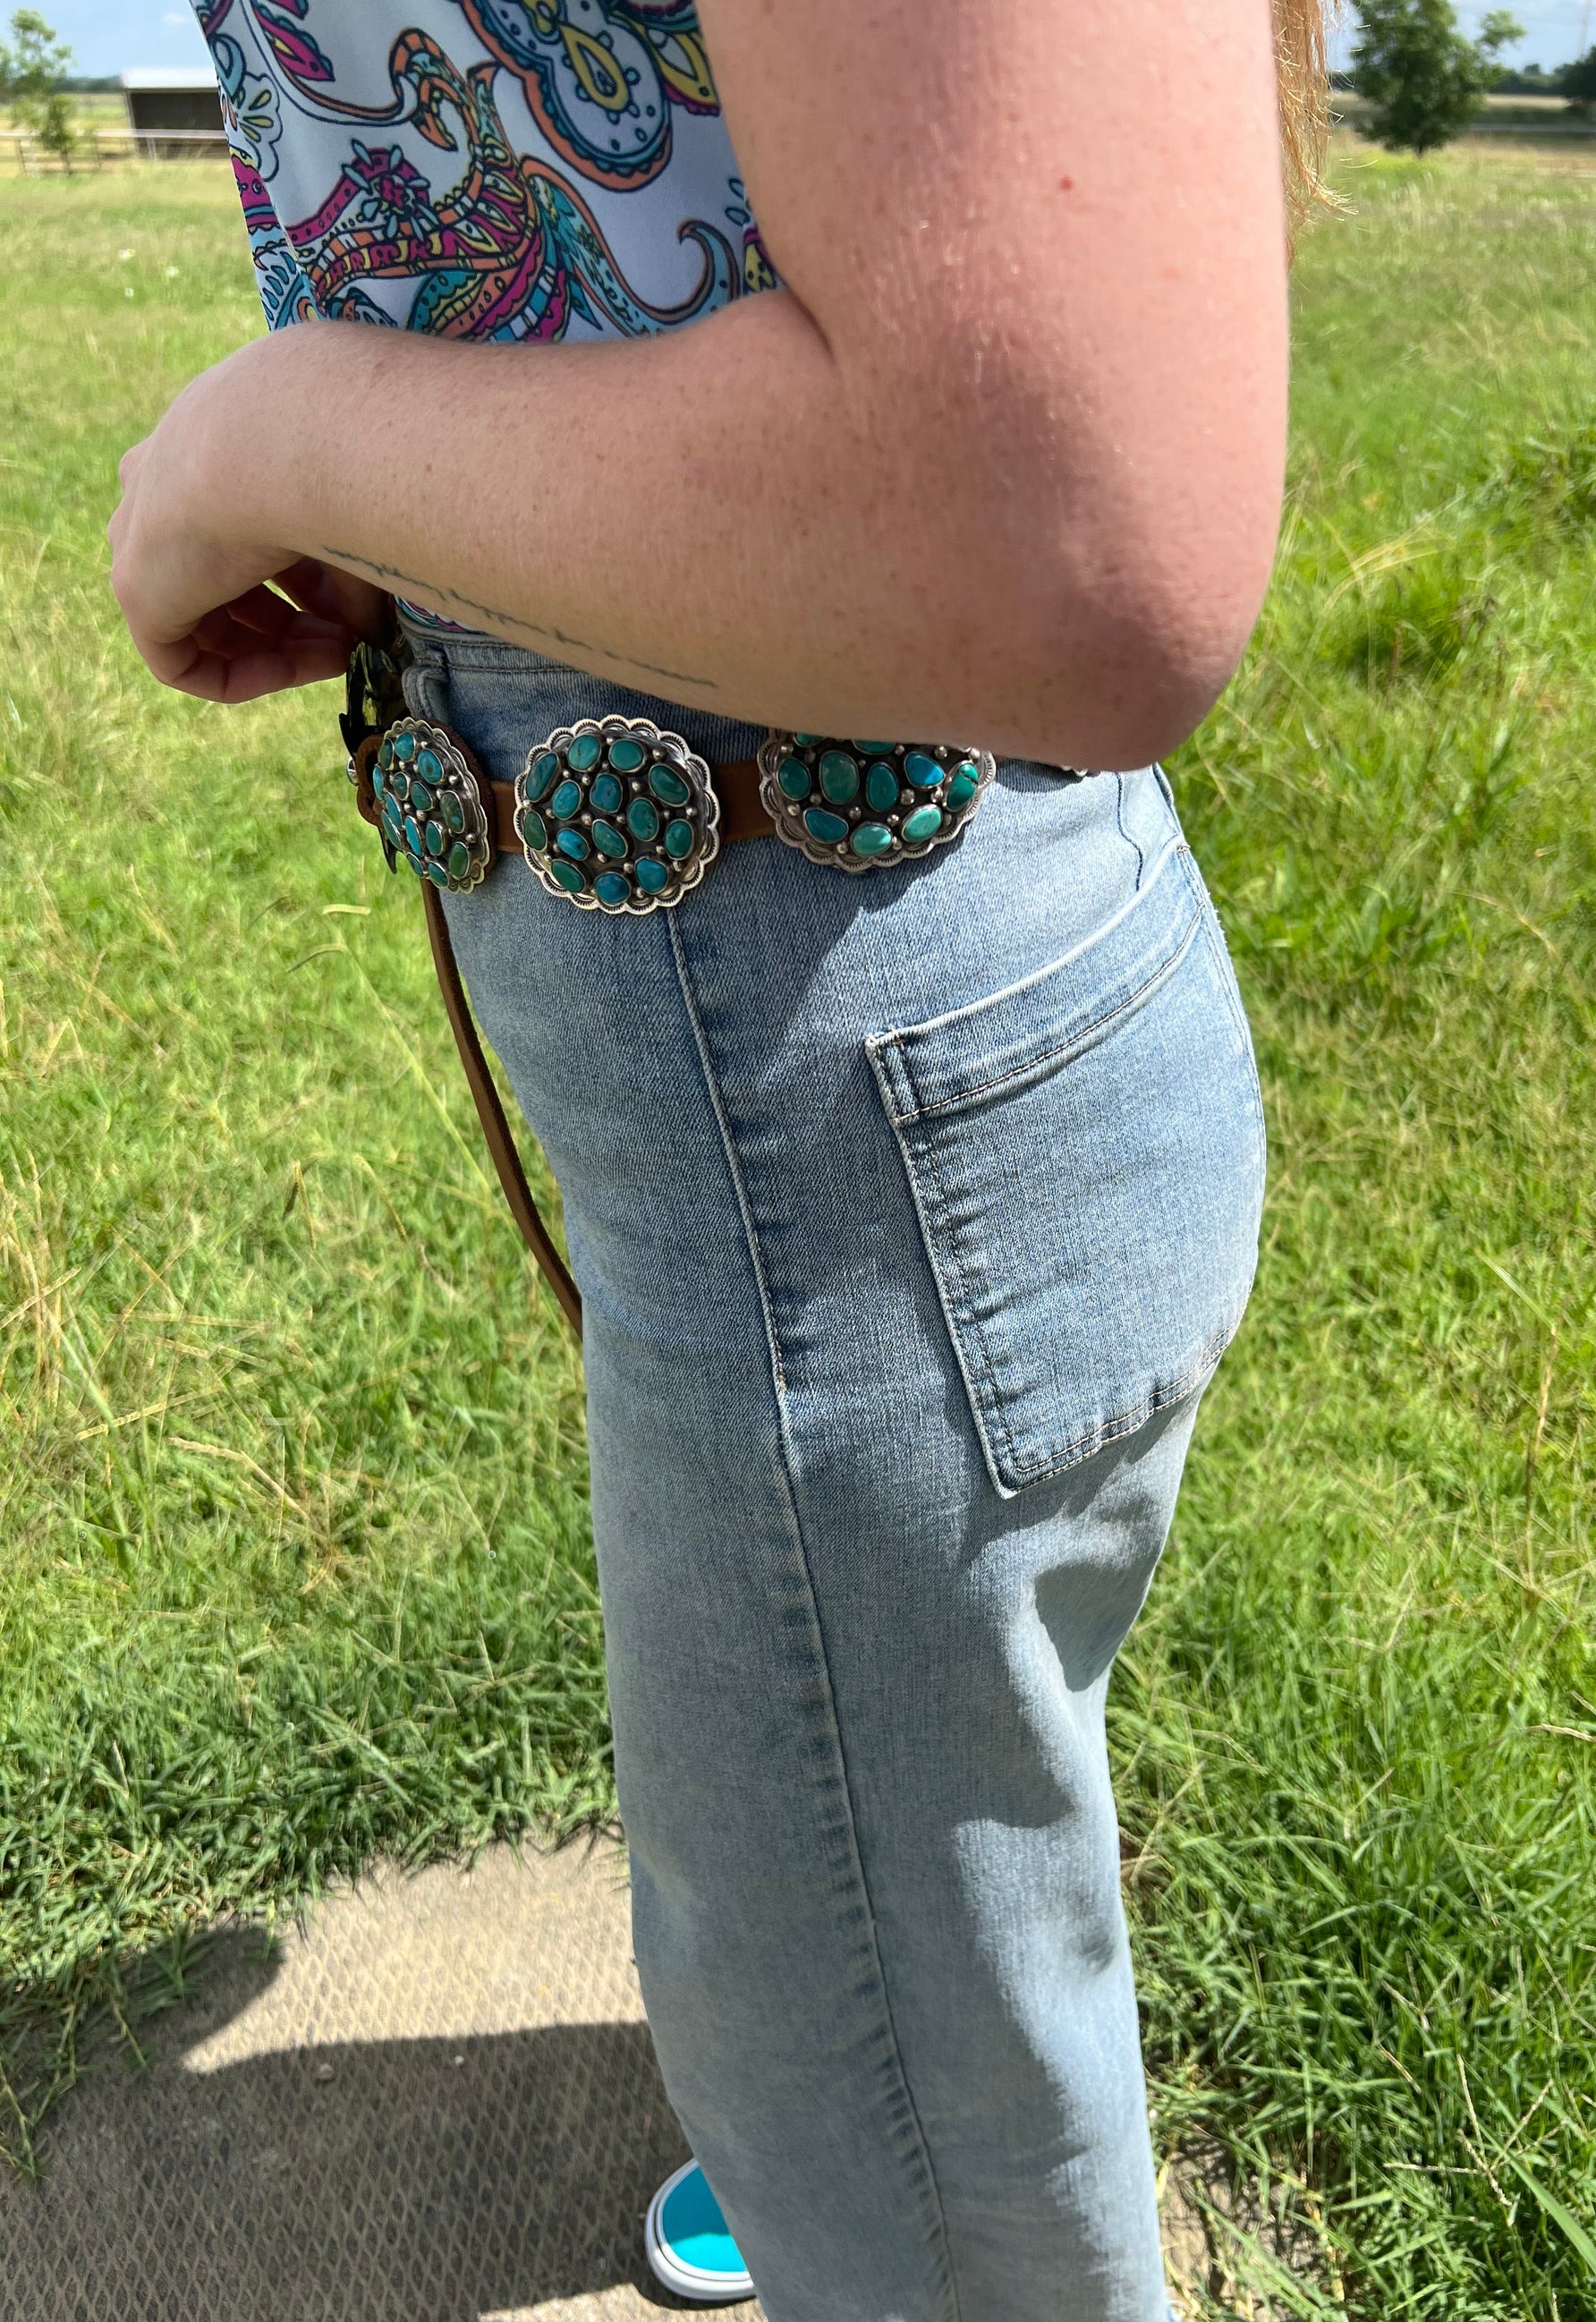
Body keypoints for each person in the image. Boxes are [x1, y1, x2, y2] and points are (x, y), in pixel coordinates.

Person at [108, 4, 1325, 2314]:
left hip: (833, 1088)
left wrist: (268, 437)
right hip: (812, 1070)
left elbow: (1053, 531)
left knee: (875, 2082)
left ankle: (882, 2159)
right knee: (893, 1900)